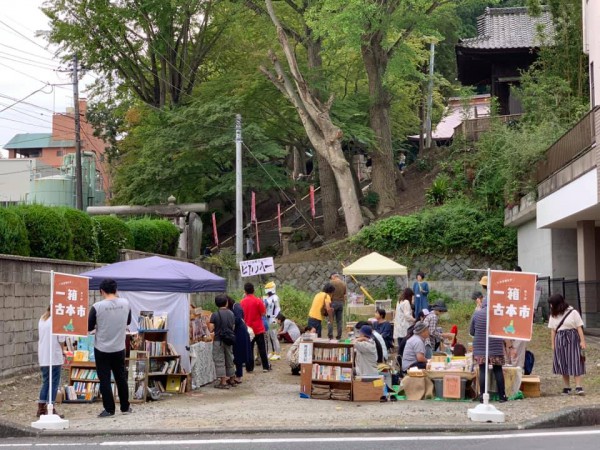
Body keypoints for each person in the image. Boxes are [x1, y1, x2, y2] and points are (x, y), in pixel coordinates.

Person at [88, 278, 132, 417]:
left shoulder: (97, 306)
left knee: (105, 379)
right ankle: (125, 407)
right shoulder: (126, 303)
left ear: (102, 291)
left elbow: (89, 327)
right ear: (116, 290)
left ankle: (109, 409)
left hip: (102, 348)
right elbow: (128, 321)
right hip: (119, 347)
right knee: (121, 378)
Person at [470, 296, 508, 403]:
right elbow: (504, 330)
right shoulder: (498, 314)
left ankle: (482, 396)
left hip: (480, 347)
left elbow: (471, 331)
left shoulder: (477, 314)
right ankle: (502, 396)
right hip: (495, 346)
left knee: (483, 370)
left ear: (483, 304)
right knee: (497, 370)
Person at [548, 294, 586, 395]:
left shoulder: (573, 312)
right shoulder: (553, 314)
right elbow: (553, 330)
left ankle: (578, 386)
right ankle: (567, 387)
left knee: (575, 360)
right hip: (560, 339)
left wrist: (582, 341)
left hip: (573, 338)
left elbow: (579, 327)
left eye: (552, 304)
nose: (551, 306)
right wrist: (553, 344)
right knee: (562, 362)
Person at [36, 306, 65, 418]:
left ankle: (41, 408)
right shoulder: (58, 320)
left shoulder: (42, 318)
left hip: (43, 356)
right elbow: (61, 339)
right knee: (54, 383)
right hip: (54, 355)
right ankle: (50, 408)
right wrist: (63, 351)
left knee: (46, 382)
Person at [240, 282, 271, 372]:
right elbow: (263, 313)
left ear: (245, 291)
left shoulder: (242, 302)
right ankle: (265, 367)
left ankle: (249, 368)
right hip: (258, 328)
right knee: (262, 348)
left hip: (248, 329)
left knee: (249, 349)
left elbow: (241, 315)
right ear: (253, 290)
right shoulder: (258, 301)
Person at [209, 294, 236, 389]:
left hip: (218, 340)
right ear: (226, 302)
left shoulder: (215, 314)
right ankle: (232, 379)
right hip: (229, 339)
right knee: (229, 358)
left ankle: (223, 381)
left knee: (219, 360)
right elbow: (233, 327)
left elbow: (211, 329)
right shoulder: (231, 313)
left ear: (216, 304)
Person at [227, 296, 253, 384]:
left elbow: (237, 319)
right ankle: (235, 374)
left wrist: (227, 320)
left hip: (240, 332)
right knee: (236, 353)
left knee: (239, 353)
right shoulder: (233, 308)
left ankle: (239, 376)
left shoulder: (236, 306)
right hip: (236, 332)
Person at [264, 282, 281, 360]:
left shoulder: (275, 297)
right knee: (269, 336)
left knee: (274, 336)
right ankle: (271, 352)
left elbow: (277, 308)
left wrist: (277, 318)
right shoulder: (267, 298)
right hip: (267, 318)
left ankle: (278, 353)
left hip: (273, 319)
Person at [328, 273, 347, 340]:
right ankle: (339, 336)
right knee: (339, 321)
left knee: (330, 319)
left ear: (334, 276)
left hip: (333, 302)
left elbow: (328, 293)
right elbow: (345, 295)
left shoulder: (331, 283)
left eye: (331, 277)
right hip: (341, 303)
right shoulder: (343, 284)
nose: (331, 278)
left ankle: (330, 335)